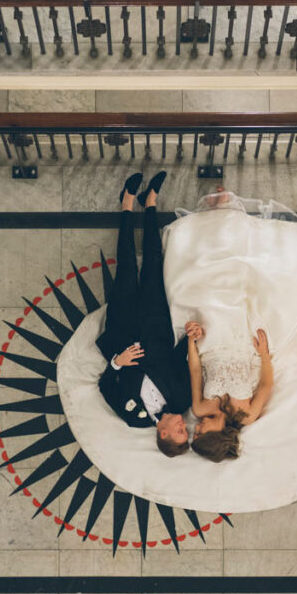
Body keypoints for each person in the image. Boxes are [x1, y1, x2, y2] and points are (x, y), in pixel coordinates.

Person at [95, 171, 193, 457]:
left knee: (125, 266)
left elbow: (104, 386)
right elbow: (179, 360)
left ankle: (126, 205)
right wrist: (191, 337)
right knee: (153, 262)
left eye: (180, 432)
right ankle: (150, 203)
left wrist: (117, 362)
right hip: (155, 324)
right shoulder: (182, 399)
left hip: (122, 329)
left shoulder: (132, 416)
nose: (184, 427)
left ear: (163, 434)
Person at [185, 321, 274, 463]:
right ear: (215, 436)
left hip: (210, 343)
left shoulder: (200, 409)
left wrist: (191, 341)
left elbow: (195, 372)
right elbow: (265, 385)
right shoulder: (247, 416)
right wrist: (264, 355)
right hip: (244, 345)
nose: (196, 426)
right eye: (199, 433)